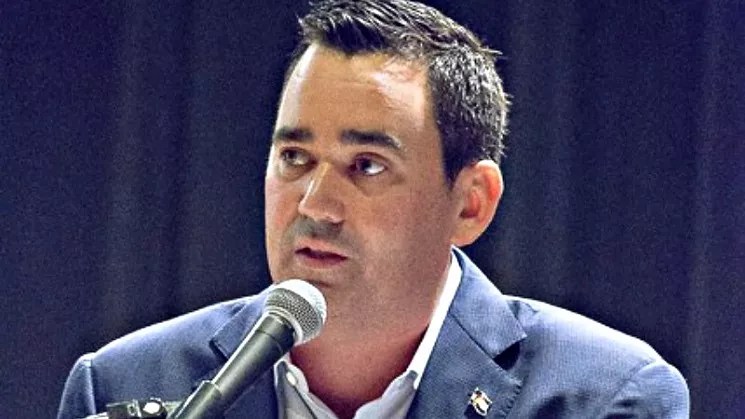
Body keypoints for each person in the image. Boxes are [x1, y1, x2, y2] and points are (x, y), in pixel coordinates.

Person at [57, 0, 690, 418]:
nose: (316, 204)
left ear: (471, 204)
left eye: (366, 166)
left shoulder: (604, 398)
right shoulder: (125, 385)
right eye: (295, 157)